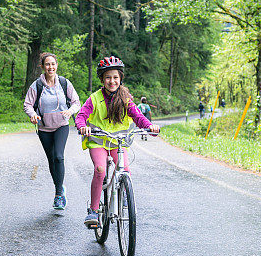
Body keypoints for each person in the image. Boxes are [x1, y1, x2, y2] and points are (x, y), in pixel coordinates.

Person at [76, 56, 159, 228]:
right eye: (108, 77)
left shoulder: (125, 98)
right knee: (100, 170)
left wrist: (149, 126)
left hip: (117, 143)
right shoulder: (95, 98)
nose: (112, 81)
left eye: (115, 77)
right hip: (98, 141)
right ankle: (93, 211)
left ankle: (122, 194)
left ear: (120, 78)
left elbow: (138, 116)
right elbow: (81, 116)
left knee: (125, 170)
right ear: (102, 79)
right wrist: (83, 126)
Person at [23, 52, 81, 210]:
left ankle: (59, 195)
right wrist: (33, 114)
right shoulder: (37, 85)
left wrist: (70, 111)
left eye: (53, 64)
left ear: (57, 65)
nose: (51, 67)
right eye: (47, 64)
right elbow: (27, 104)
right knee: (51, 160)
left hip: (61, 125)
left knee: (58, 157)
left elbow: (76, 102)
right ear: (42, 66)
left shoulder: (64, 83)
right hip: (43, 128)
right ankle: (59, 189)